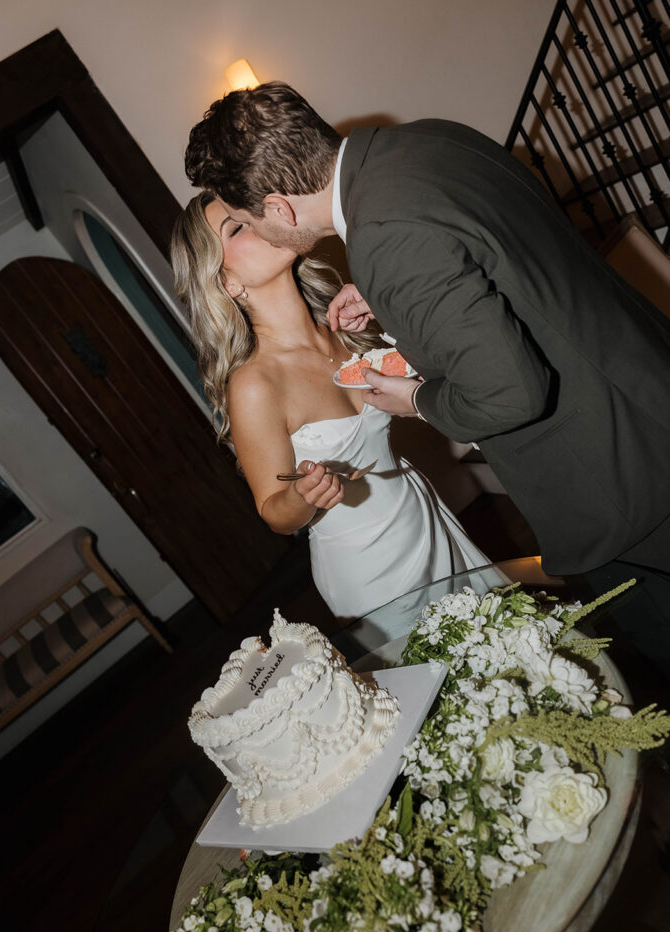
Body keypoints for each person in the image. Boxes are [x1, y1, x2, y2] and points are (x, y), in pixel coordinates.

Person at [183, 82, 670, 678]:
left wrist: (416, 396)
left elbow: (505, 386)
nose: (254, 230)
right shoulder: (426, 139)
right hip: (640, 391)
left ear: (280, 207)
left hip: (614, 478)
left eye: (246, 217)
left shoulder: (379, 257)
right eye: (234, 229)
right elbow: (480, 269)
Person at [170, 193, 489, 621]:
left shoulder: (340, 326)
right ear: (227, 282)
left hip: (425, 519)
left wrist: (391, 318)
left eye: (250, 212)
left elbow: (433, 384)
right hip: (372, 572)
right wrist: (304, 495)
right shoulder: (253, 384)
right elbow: (273, 511)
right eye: (237, 226)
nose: (259, 220)